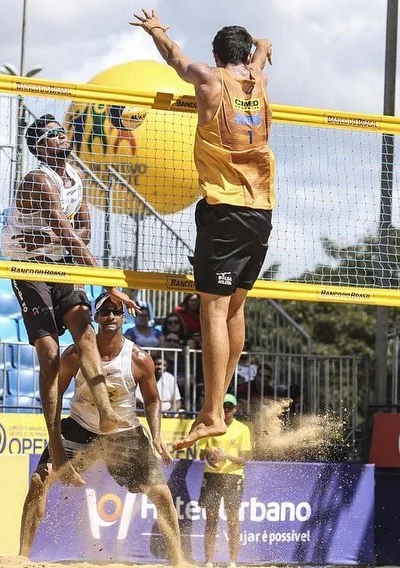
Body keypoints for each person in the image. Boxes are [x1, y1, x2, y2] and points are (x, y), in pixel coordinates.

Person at [131, 10, 276, 449]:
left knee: (213, 311)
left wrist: (156, 30)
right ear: (246, 56)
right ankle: (215, 405)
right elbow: (259, 62)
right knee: (235, 310)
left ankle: (213, 411)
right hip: (262, 211)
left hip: (226, 210)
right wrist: (263, 50)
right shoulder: (258, 80)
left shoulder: (209, 79)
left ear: (216, 56)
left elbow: (175, 59)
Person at [0, 114, 140, 482]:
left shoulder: (75, 177)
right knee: (49, 356)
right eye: (51, 135)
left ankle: (107, 412)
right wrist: (108, 284)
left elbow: (84, 232)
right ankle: (57, 448)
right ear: (40, 148)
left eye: (61, 132)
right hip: (29, 267)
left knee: (85, 332)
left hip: (59, 263)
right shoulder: (38, 180)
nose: (61, 136)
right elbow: (68, 232)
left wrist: (59, 242)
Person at [19, 293, 185, 566]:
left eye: (116, 312)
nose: (110, 316)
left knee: (162, 495)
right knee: (39, 482)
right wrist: (55, 435)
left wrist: (156, 435)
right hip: (80, 424)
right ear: (94, 318)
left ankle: (179, 561)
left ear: (123, 317)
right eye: (105, 312)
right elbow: (55, 393)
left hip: (124, 430)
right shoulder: (75, 355)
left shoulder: (138, 358)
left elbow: (153, 400)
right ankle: (22, 556)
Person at [197, 394, 252, 568]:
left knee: (233, 520)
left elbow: (245, 458)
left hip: (233, 476)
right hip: (212, 475)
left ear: (236, 409)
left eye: (230, 405)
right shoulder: (210, 427)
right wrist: (209, 453)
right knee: (211, 519)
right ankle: (208, 561)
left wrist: (225, 456)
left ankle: (233, 561)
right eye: (224, 405)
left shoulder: (242, 428)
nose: (226, 409)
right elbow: (200, 454)